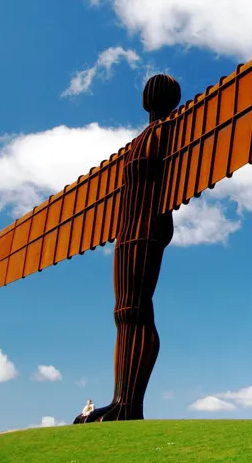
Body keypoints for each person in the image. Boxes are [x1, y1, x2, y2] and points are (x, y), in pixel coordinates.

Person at [78, 74, 181, 423]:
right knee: (124, 312)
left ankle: (130, 405)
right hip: (127, 231)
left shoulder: (174, 129)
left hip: (148, 227)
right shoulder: (138, 141)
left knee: (136, 309)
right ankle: (121, 400)